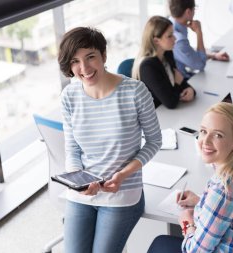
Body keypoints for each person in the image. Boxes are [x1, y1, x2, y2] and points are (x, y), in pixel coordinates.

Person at [58, 27, 162, 253]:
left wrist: (123, 174)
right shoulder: (69, 96)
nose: (84, 68)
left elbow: (154, 141)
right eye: (75, 61)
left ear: (103, 56)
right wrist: (79, 181)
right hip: (83, 193)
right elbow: (72, 149)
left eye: (90, 57)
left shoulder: (135, 92)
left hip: (122, 192)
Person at [148, 102, 233, 252]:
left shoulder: (225, 189)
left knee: (160, 244)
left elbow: (195, 250)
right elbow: (231, 208)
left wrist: (187, 223)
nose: (205, 141)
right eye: (203, 131)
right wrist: (201, 202)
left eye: (218, 135)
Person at [132, 16, 196, 109]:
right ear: (156, 41)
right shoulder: (147, 67)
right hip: (157, 115)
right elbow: (171, 102)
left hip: (171, 113)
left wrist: (191, 90)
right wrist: (178, 83)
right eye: (169, 36)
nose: (175, 39)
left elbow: (179, 78)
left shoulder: (167, 54)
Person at [168, 0, 230, 79]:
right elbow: (200, 65)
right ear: (188, 12)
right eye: (194, 8)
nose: (195, 12)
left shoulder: (171, 22)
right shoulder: (179, 40)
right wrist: (199, 32)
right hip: (183, 82)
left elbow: (189, 54)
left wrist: (213, 55)